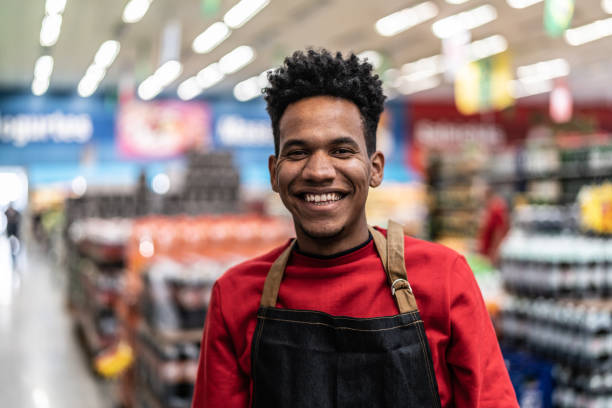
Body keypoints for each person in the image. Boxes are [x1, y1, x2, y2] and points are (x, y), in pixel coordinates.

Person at [191, 49, 518, 407]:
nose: (318, 171)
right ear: (274, 171)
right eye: (298, 152)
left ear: (375, 168)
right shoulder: (236, 296)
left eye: (342, 151)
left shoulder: (443, 279)